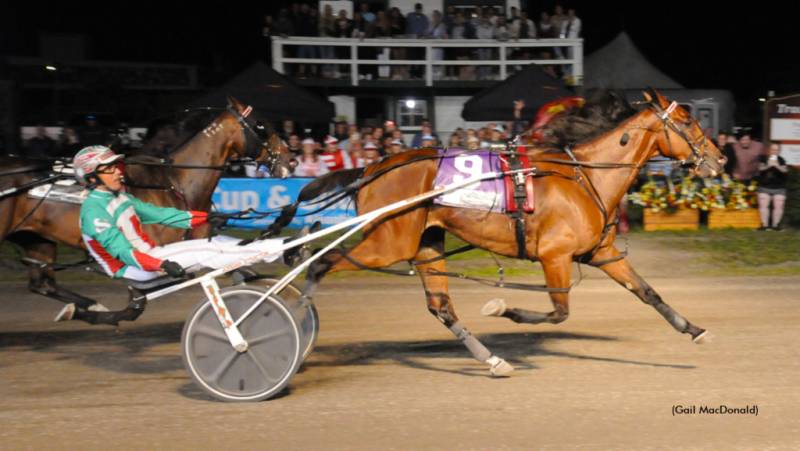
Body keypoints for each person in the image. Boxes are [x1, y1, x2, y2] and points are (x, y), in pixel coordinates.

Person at [59, 146, 288, 321]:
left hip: (151, 255)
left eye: (117, 167)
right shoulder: (93, 211)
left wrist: (204, 217)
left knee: (213, 241)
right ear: (91, 178)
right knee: (206, 250)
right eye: (109, 169)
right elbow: (123, 252)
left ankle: (281, 249)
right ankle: (281, 250)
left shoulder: (120, 196)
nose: (119, 172)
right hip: (137, 268)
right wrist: (159, 264)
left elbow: (161, 215)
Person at [755, 142, 790, 230]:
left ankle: (776, 226)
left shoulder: (781, 160)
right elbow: (760, 168)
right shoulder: (764, 159)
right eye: (773, 149)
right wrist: (769, 165)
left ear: (779, 151)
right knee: (763, 204)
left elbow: (785, 170)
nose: (774, 151)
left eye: (776, 150)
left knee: (779, 204)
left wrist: (776, 165)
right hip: (764, 186)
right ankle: (765, 225)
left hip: (779, 187)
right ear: (769, 150)